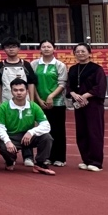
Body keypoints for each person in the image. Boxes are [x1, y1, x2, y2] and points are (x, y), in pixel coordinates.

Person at [0, 79, 55, 175]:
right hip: (12, 137)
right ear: (11, 92)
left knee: (47, 137)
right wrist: (8, 141)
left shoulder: (33, 106)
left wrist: (31, 132)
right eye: (15, 90)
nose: (19, 93)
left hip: (28, 137)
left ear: (27, 91)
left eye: (21, 90)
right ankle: (10, 161)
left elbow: (46, 125)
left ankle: (40, 164)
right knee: (4, 146)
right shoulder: (4, 107)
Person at [67, 42, 107, 172]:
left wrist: (85, 96)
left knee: (94, 132)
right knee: (81, 132)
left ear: (89, 53)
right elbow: (69, 86)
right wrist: (74, 94)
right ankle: (86, 159)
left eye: (83, 51)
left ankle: (96, 162)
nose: (80, 54)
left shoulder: (97, 69)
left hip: (93, 104)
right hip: (79, 104)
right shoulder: (73, 69)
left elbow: (100, 86)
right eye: (77, 51)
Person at [32, 39, 69, 167]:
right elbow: (32, 84)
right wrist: (38, 99)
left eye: (49, 46)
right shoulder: (34, 64)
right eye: (44, 47)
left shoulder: (60, 65)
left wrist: (51, 96)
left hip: (57, 102)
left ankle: (59, 158)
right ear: (40, 49)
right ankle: (45, 157)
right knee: (42, 130)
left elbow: (62, 83)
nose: (46, 49)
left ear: (54, 49)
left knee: (58, 130)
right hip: (39, 102)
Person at [0, 39, 36, 112]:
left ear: (19, 48)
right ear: (4, 49)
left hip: (25, 101)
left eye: (14, 46)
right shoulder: (0, 66)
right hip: (6, 100)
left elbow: (31, 83)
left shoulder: (26, 65)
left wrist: (31, 101)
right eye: (8, 47)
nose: (11, 49)